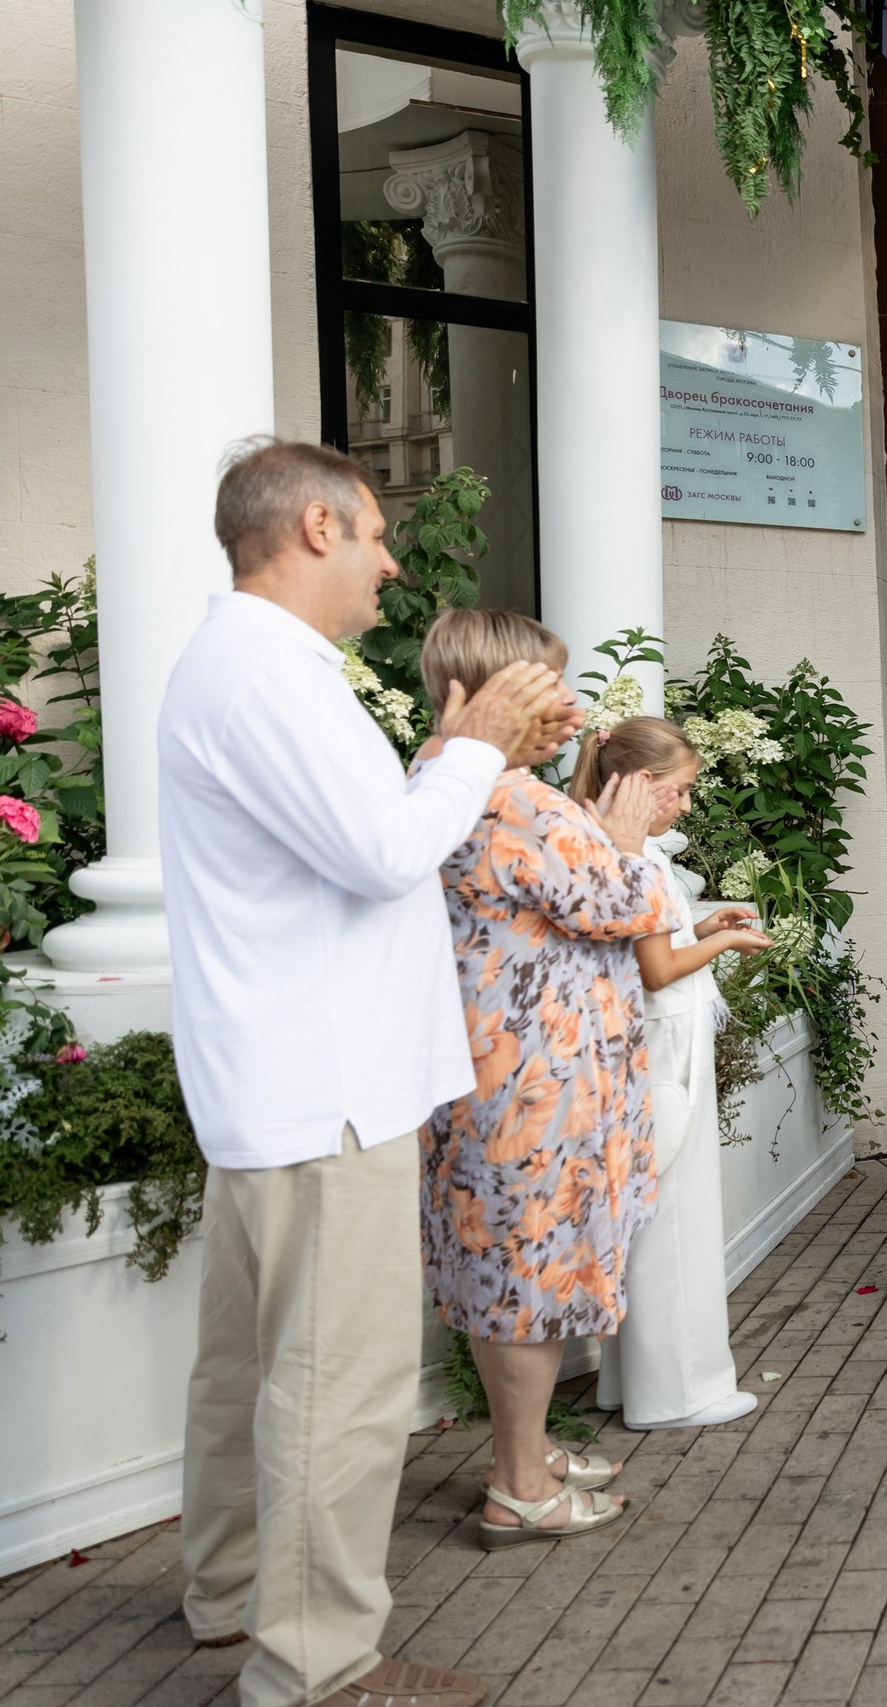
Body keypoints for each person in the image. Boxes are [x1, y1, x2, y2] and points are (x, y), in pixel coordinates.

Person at [165, 439, 576, 1707]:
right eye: (378, 534)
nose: (394, 561)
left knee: (247, 1367)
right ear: (314, 530)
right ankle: (319, 1667)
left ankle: (231, 1597)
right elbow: (383, 851)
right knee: (334, 1390)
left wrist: (460, 754)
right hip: (324, 1085)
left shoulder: (253, 667)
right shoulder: (271, 678)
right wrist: (480, 747)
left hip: (280, 1075)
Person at [415, 609, 685, 1549]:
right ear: (498, 689)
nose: (570, 705)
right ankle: (521, 1484)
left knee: (503, 1276)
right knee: (524, 1282)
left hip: (495, 1073)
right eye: (550, 683)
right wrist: (627, 838)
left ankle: (517, 1454)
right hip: (533, 1085)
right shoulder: (508, 798)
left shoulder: (450, 779)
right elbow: (625, 901)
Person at [572, 715, 774, 1428]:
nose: (686, 806)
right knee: (673, 1221)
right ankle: (680, 1392)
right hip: (663, 1046)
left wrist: (708, 925)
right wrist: (725, 946)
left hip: (656, 1043)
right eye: (680, 791)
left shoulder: (626, 851)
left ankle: (633, 1383)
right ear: (641, 784)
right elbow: (656, 970)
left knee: (654, 1218)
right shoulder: (632, 856)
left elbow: (653, 940)